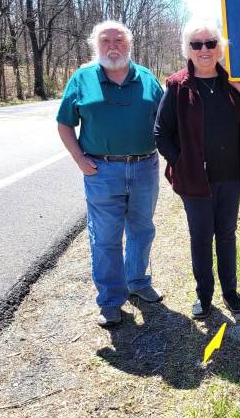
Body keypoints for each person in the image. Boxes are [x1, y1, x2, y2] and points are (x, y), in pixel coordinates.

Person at [56, 20, 164, 327]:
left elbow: (166, 121)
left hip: (145, 167)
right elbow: (65, 123)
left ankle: (138, 282)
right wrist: (78, 158)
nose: (113, 45)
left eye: (119, 39)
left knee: (142, 230)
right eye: (106, 40)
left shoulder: (147, 79)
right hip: (101, 170)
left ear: (129, 44)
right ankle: (110, 300)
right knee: (105, 238)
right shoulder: (81, 79)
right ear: (95, 45)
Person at [154, 19, 240, 320]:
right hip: (195, 180)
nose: (204, 49)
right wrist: (181, 164)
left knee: (226, 234)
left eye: (211, 43)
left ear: (219, 48)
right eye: (197, 44)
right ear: (188, 49)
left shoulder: (233, 81)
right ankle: (204, 295)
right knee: (201, 238)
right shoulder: (177, 86)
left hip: (231, 175)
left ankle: (230, 291)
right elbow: (161, 133)